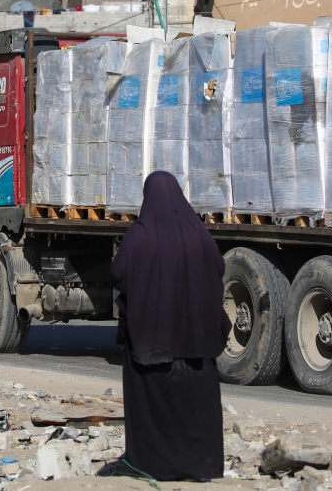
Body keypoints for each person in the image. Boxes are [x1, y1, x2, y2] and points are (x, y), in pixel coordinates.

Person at [110, 171, 231, 481]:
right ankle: (201, 466)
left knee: (152, 408)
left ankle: (151, 465)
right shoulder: (199, 234)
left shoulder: (140, 234)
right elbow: (218, 268)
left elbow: (119, 273)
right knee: (196, 410)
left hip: (153, 346)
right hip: (197, 346)